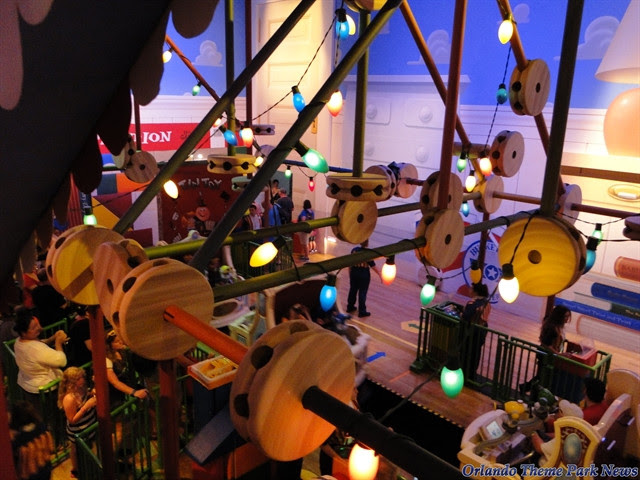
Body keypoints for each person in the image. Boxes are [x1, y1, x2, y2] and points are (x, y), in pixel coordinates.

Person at [13, 306, 67, 411]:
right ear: (24, 332)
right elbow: (61, 361)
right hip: (44, 389)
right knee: (49, 415)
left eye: (37, 324)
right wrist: (58, 342)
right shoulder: (35, 349)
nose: (38, 328)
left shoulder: (19, 341)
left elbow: (39, 343)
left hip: (28, 384)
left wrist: (52, 338)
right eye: (33, 328)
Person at [58, 366, 97, 477]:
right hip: (78, 431)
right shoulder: (69, 398)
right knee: (76, 450)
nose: (83, 379)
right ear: (72, 382)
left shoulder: (82, 388)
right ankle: (76, 470)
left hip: (89, 426)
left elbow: (87, 396)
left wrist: (92, 392)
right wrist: (87, 406)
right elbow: (72, 420)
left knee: (88, 449)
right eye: (80, 378)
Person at [9, 400, 54, 480]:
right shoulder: (43, 428)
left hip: (30, 475)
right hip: (45, 469)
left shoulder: (18, 441)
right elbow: (50, 448)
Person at [531, 399, 584, 465]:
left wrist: (532, 432)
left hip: (544, 467)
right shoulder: (576, 434)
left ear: (562, 416)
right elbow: (556, 435)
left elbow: (539, 448)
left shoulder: (565, 439)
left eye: (559, 411)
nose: (556, 412)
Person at [105, 330, 148, 405]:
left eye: (121, 339)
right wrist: (134, 392)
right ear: (110, 345)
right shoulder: (107, 360)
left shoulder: (122, 351)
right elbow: (114, 382)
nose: (121, 342)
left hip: (125, 388)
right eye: (117, 341)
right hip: (113, 395)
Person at [460, 283, 491, 381]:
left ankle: (465, 373)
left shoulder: (472, 303)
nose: (469, 290)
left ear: (475, 291)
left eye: (471, 288)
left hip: (471, 332)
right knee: (476, 353)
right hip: (482, 332)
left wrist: (461, 313)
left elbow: (465, 316)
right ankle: (472, 373)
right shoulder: (487, 303)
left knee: (467, 352)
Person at [346, 240, 380, 318]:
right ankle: (362, 311)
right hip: (364, 274)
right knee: (362, 292)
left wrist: (350, 274)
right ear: (367, 243)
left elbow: (349, 264)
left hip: (354, 272)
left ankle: (350, 307)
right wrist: (380, 275)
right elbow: (373, 266)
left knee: (352, 290)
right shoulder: (368, 253)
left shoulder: (354, 250)